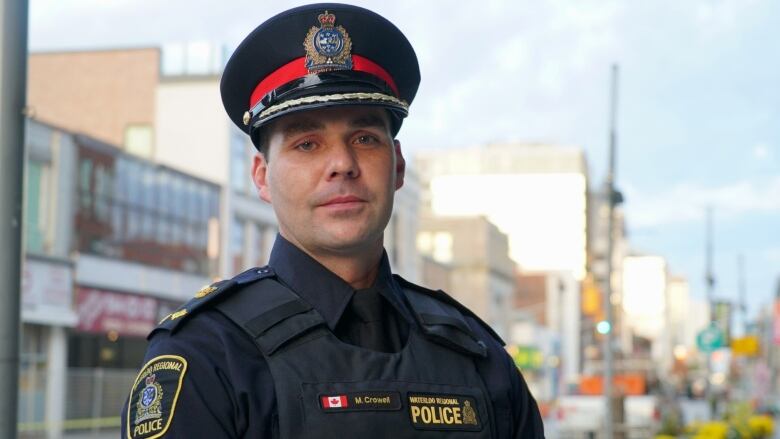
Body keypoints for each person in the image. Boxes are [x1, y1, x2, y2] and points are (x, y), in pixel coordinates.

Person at [121, 3, 545, 438]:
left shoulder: (477, 357)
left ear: (397, 167)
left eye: (364, 138)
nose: (342, 163)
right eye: (307, 144)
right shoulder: (206, 358)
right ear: (262, 178)